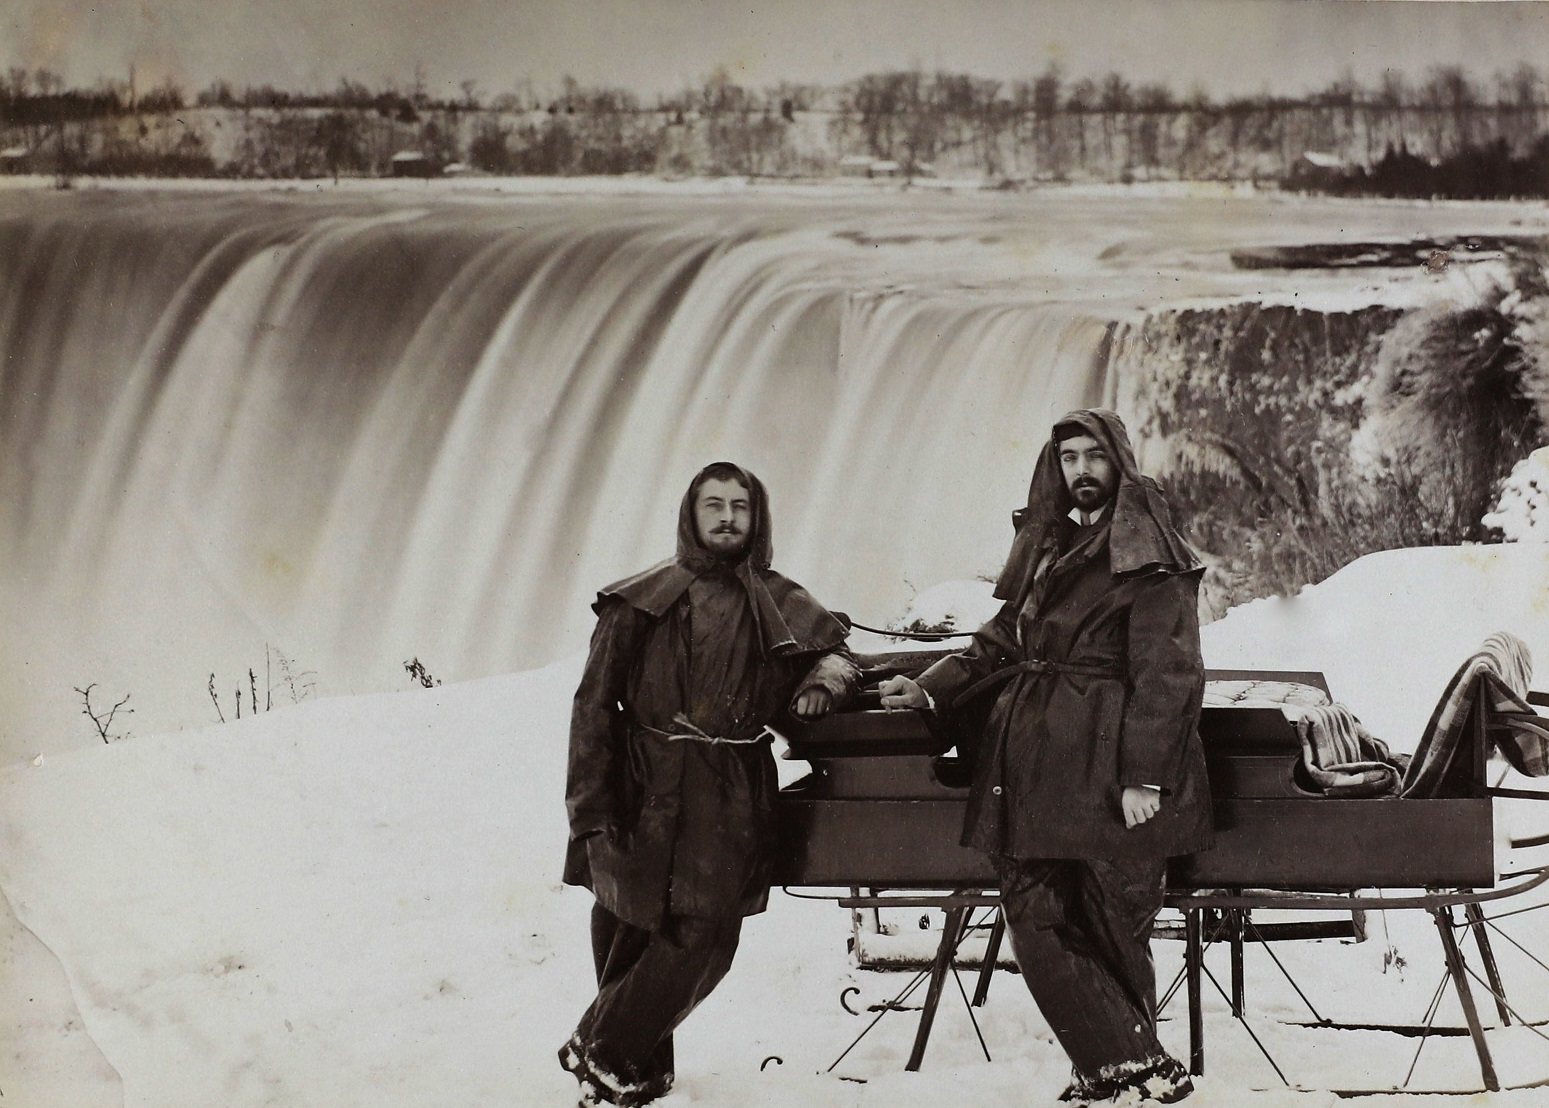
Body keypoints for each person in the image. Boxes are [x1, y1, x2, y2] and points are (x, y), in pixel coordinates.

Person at [879, 409, 1212, 1106]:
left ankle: (1116, 1074)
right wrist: (928, 686)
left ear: (1118, 461)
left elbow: (1169, 677)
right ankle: (1130, 1066)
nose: (1081, 471)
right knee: (1032, 909)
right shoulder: (1046, 548)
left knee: (1115, 924)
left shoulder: (1152, 553)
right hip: (1031, 763)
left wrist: (1142, 776)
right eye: (1068, 458)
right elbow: (998, 641)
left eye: (1093, 456)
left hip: (1107, 766)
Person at [559, 461, 858, 1107]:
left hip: (730, 791)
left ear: (757, 517)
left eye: (739, 507)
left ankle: (601, 1048)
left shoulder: (778, 600)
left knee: (707, 936)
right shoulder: (639, 600)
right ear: (690, 516)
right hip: (643, 782)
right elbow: (591, 710)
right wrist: (589, 811)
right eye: (713, 505)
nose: (726, 517)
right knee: (626, 922)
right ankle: (635, 1074)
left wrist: (820, 683)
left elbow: (837, 653)